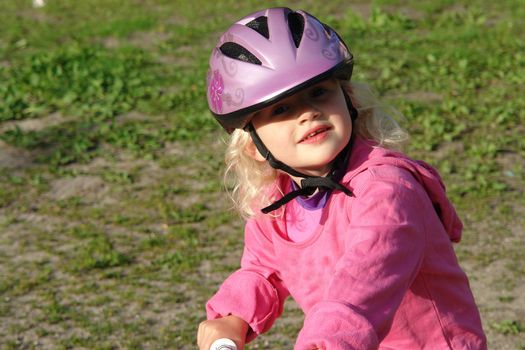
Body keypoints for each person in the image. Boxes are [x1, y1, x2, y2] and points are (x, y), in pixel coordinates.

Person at [197, 7, 487, 350]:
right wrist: (234, 318)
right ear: (254, 147)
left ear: (348, 99)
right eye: (281, 109)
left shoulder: (387, 190)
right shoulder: (278, 201)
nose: (308, 112)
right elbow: (264, 271)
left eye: (318, 92)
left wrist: (326, 341)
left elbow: (365, 280)